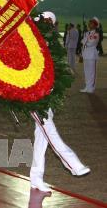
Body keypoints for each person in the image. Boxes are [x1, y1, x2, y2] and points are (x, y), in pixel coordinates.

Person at [29, 12, 91, 193]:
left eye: (51, 23)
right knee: (49, 130)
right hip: (32, 95)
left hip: (47, 94)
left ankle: (36, 177)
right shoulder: (30, 39)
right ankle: (73, 164)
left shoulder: (50, 43)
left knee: (41, 139)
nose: (49, 25)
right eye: (45, 22)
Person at [80, 17, 100, 93]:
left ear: (95, 25)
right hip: (86, 54)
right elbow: (83, 43)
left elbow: (91, 43)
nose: (89, 24)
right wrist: (81, 54)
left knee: (92, 72)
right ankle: (87, 87)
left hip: (92, 55)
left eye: (91, 23)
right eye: (89, 23)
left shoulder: (96, 34)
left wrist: (85, 40)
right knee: (86, 71)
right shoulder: (86, 33)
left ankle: (91, 87)